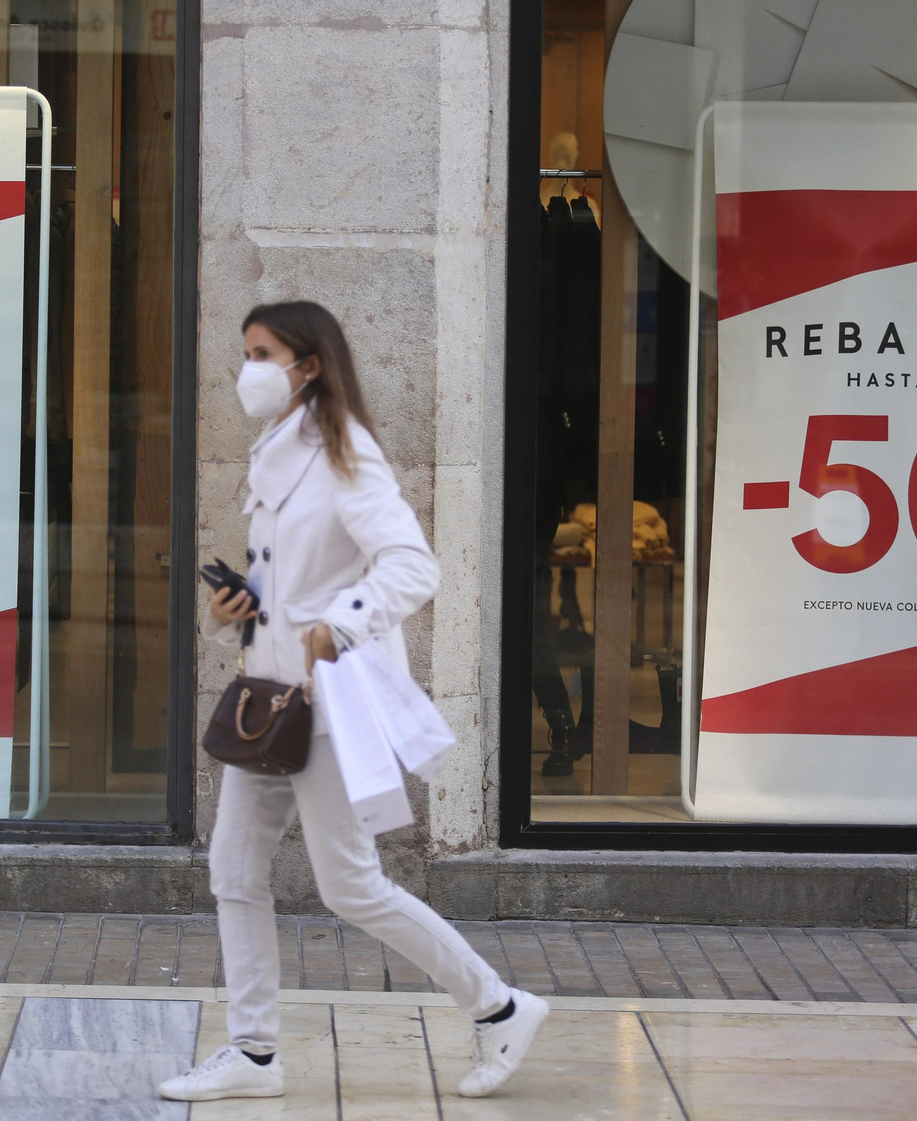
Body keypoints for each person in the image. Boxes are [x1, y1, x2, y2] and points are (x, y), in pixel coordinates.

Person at [158, 301, 549, 1103]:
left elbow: (412, 565)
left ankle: (500, 1006)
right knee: (233, 866)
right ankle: (254, 1050)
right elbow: (288, 579)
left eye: (262, 352)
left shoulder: (344, 454)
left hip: (326, 705)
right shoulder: (276, 452)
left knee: (351, 884)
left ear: (307, 364)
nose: (249, 369)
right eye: (247, 352)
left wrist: (343, 622)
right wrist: (234, 606)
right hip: (269, 701)